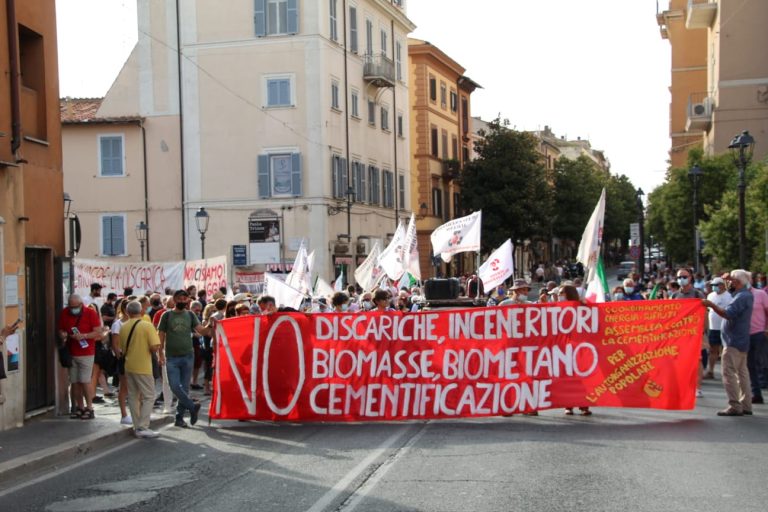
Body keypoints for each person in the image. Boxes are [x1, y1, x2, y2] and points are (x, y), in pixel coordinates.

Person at [157, 289, 214, 428]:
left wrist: (211, 324)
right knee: (174, 386)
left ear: (188, 300)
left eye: (185, 298)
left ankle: (179, 418)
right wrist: (160, 353)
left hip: (188, 356)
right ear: (174, 300)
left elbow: (202, 331)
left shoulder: (190, 315)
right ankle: (192, 406)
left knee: (185, 388)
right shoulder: (166, 315)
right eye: (180, 298)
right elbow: (161, 335)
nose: (182, 301)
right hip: (171, 357)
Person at [703, 269, 754, 416]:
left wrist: (711, 305)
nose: (728, 283)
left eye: (731, 280)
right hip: (741, 340)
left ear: (737, 282)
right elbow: (731, 289)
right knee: (742, 374)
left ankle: (735, 405)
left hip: (733, 341)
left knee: (729, 373)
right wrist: (727, 279)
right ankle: (746, 404)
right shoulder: (744, 294)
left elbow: (728, 313)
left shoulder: (741, 297)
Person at [119, 301, 161, 438]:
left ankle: (137, 426)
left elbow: (122, 348)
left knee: (133, 396)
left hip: (129, 365)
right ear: (141, 311)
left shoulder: (123, 327)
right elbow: (155, 346)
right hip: (143, 366)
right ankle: (143, 426)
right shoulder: (147, 326)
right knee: (149, 395)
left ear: (127, 312)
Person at [58, 295, 103, 419]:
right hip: (71, 352)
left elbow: (98, 332)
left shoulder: (90, 313)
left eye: (75, 307)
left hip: (86, 352)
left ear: (81, 304)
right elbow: (61, 329)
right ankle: (80, 407)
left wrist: (84, 336)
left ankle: (90, 407)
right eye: (70, 307)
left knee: (84, 381)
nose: (73, 309)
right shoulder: (65, 313)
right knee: (75, 382)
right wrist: (63, 335)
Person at [559, 285, 592, 416]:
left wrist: (586, 305)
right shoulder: (556, 308)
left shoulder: (582, 307)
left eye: (562, 293)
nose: (560, 295)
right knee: (567, 379)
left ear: (569, 294)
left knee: (582, 379)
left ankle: (584, 405)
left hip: (580, 348)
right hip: (563, 349)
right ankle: (568, 405)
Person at [705, 277, 732, 379]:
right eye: (712, 286)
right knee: (713, 350)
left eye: (715, 285)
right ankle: (710, 371)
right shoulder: (710, 296)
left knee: (726, 351)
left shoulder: (729, 296)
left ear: (722, 285)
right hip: (713, 327)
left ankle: (727, 373)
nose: (713, 288)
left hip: (725, 327)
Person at [747, 276, 768, 404]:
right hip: (744, 335)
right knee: (750, 365)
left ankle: (761, 384)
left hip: (760, 333)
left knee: (761, 361)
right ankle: (756, 393)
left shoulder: (761, 294)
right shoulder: (736, 295)